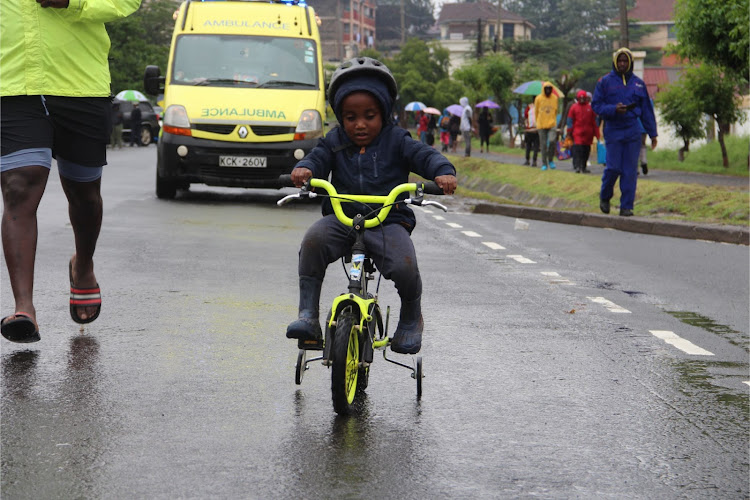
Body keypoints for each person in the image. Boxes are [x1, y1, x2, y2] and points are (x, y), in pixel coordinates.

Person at [286, 57, 457, 355]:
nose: (360, 124)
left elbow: (424, 155)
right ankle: (308, 315)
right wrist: (305, 170)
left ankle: (410, 318)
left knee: (404, 264)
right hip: (343, 218)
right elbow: (316, 159)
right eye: (350, 117)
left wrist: (442, 171)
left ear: (385, 113)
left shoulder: (397, 140)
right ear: (340, 116)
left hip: (387, 220)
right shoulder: (334, 140)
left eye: (369, 115)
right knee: (313, 241)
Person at [0, 0, 141, 343]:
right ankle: (24, 309)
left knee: (84, 194)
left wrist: (73, 2)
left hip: (81, 84)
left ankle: (83, 265)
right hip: (13, 83)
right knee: (19, 185)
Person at [592, 47, 657, 217]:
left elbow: (647, 111)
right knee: (613, 168)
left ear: (630, 63)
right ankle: (605, 196)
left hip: (632, 129)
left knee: (629, 170)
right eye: (619, 61)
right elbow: (596, 105)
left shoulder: (638, 84)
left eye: (625, 61)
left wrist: (653, 133)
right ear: (615, 62)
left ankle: (626, 206)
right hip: (613, 129)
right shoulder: (604, 82)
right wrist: (614, 109)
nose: (622, 64)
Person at [566, 90, 600, 173]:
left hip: (588, 133)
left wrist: (597, 134)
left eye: (583, 98)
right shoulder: (573, 107)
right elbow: (570, 120)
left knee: (586, 151)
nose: (581, 99)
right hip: (577, 133)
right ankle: (577, 166)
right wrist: (569, 131)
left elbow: (594, 122)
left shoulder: (590, 108)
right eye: (580, 98)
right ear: (577, 98)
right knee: (578, 150)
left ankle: (583, 167)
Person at [533, 82, 559, 170]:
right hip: (541, 124)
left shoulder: (555, 98)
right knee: (543, 145)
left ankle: (550, 160)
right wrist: (537, 123)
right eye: (546, 89)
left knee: (552, 141)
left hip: (552, 123)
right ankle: (544, 163)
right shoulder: (538, 98)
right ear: (544, 89)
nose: (548, 90)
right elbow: (536, 111)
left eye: (549, 89)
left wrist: (553, 120)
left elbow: (555, 111)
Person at [523, 102, 539, 166]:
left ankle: (527, 160)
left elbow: (525, 116)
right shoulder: (539, 107)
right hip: (537, 130)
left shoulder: (528, 107)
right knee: (536, 146)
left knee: (528, 146)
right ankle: (534, 161)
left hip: (529, 130)